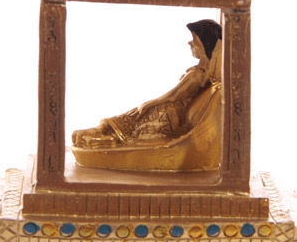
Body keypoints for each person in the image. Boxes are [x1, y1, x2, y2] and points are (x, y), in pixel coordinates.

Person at [72, 19, 222, 149]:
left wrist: (150, 103)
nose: (190, 43)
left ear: (204, 44)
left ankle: (103, 137)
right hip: (170, 111)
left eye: (194, 40)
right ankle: (102, 130)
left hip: (168, 115)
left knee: (136, 119)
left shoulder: (197, 75)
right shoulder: (199, 73)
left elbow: (173, 96)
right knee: (131, 118)